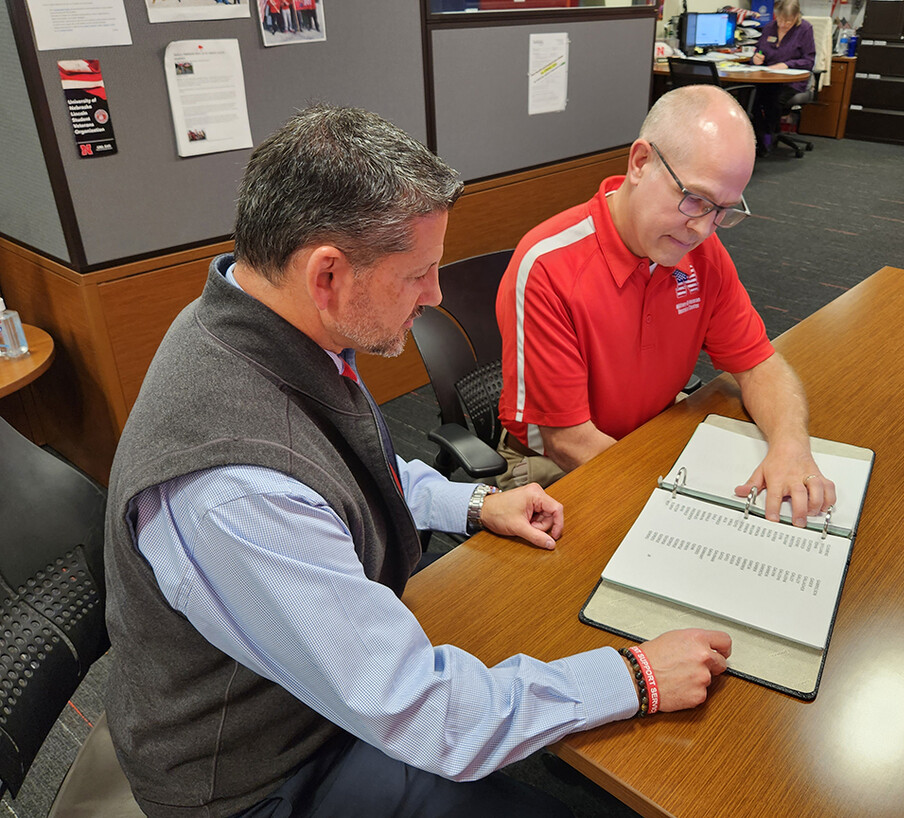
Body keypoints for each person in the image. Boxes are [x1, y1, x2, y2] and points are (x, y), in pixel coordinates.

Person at [103, 104, 734, 818]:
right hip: (263, 778)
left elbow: (341, 466)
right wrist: (636, 676)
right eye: (420, 275)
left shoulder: (257, 315)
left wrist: (468, 502)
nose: (435, 296)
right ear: (328, 276)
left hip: (318, 698)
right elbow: (426, 717)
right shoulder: (236, 490)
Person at [495, 85, 835, 526]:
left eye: (723, 211)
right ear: (640, 163)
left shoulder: (701, 255)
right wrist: (681, 504)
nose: (702, 228)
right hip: (551, 468)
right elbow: (568, 442)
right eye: (694, 198)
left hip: (648, 437)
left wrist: (791, 448)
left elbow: (759, 365)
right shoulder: (548, 267)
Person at [751, 0, 816, 155]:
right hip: (767, 78)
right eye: (780, 19)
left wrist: (787, 65)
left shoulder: (805, 29)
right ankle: (763, 137)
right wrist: (756, 58)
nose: (783, 24)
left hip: (792, 81)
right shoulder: (769, 28)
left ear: (797, 17)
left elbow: (809, 61)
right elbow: (759, 51)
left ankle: (766, 138)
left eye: (789, 21)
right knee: (750, 98)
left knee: (773, 101)